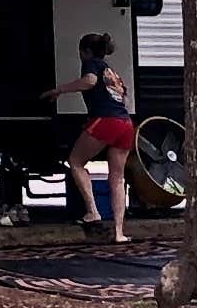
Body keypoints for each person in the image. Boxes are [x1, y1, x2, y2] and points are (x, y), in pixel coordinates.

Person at [43, 33, 138, 243]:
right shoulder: (112, 72)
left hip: (105, 121)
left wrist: (60, 90)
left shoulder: (92, 64)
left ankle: (93, 211)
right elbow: (125, 96)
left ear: (85, 51)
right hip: (126, 123)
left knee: (75, 162)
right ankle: (119, 232)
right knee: (117, 177)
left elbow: (89, 82)